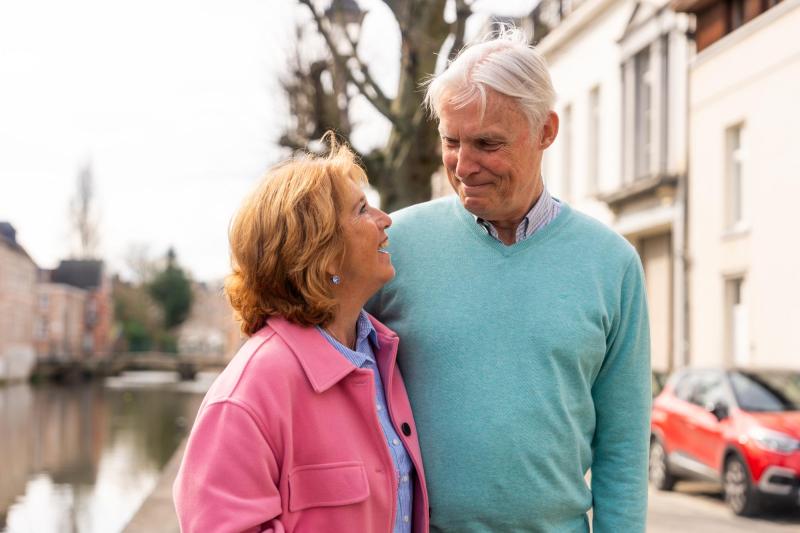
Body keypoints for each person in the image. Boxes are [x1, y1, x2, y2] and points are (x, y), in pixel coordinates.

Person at [367, 28, 651, 532]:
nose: (463, 165)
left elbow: (623, 448)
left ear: (545, 131)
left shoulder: (613, 265)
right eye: (451, 141)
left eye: (487, 144)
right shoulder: (394, 247)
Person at [173, 136, 429, 533]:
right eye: (361, 209)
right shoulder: (246, 397)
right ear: (321, 252)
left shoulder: (383, 355)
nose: (385, 218)